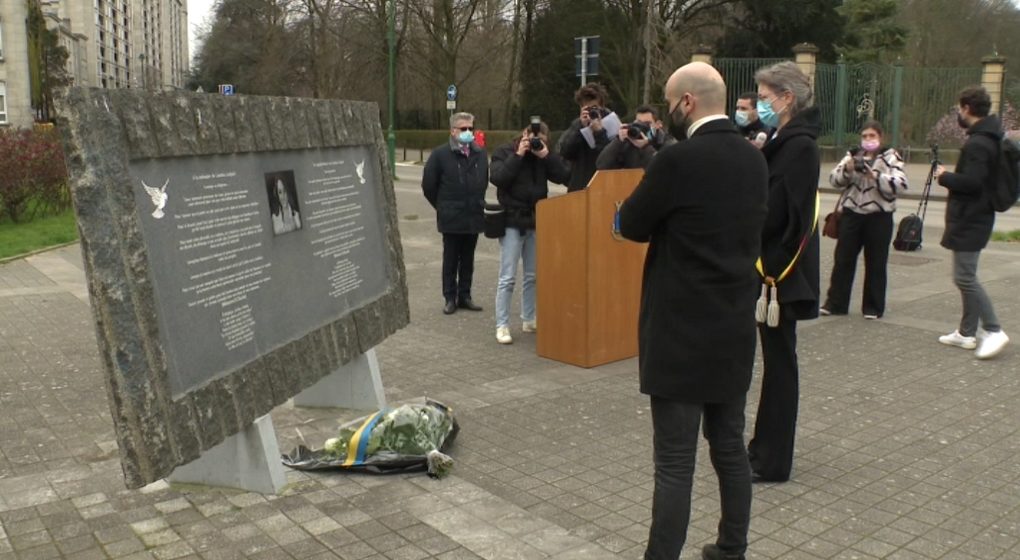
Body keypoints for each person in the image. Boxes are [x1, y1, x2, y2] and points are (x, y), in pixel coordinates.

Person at [619, 62, 769, 560]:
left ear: (686, 102)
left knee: (675, 464)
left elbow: (633, 225)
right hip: (731, 327)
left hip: (679, 330)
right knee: (729, 448)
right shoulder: (754, 160)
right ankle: (733, 548)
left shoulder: (676, 160)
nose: (667, 112)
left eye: (669, 101)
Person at [747, 61, 821, 484]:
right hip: (772, 269)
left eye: (765, 96)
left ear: (786, 98)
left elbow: (779, 212)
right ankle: (764, 449)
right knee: (777, 363)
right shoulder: (786, 139)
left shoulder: (799, 146)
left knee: (780, 366)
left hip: (780, 272)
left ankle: (773, 460)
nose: (761, 104)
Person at [934, 86, 1010, 359]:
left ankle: (993, 329)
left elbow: (973, 183)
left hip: (972, 217)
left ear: (967, 108)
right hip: (975, 216)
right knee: (966, 276)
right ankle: (967, 333)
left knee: (965, 277)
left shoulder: (979, 143)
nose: (958, 113)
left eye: (959, 108)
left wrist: (944, 177)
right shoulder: (988, 137)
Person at [489, 119, 571, 344]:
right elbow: (497, 178)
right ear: (524, 134)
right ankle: (502, 325)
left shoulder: (541, 155)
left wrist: (546, 156)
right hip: (511, 220)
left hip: (536, 219)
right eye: (533, 139)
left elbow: (565, 176)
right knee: (507, 277)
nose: (535, 144)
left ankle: (529, 318)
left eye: (541, 142)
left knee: (532, 275)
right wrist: (518, 155)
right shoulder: (505, 151)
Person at [821, 121, 908, 319]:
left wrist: (875, 176)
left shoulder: (890, 157)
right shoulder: (853, 155)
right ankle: (835, 303)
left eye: (872, 136)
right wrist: (848, 169)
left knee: (876, 261)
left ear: (881, 137)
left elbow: (901, 184)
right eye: (865, 136)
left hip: (879, 216)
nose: (868, 140)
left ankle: (873, 307)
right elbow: (833, 180)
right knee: (843, 259)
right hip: (852, 214)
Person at [422, 112, 489, 315]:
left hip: (473, 214)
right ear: (453, 131)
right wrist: (442, 206)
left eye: (471, 128)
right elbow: (429, 186)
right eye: (463, 129)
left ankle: (465, 295)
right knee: (451, 258)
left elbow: (483, 181)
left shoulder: (479, 153)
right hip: (451, 215)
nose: (468, 132)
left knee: (468, 258)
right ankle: (450, 297)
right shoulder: (440, 155)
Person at [556, 82, 621, 191]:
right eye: (587, 108)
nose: (592, 111)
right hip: (579, 185)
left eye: (594, 107)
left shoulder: (612, 123)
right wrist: (580, 127)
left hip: (603, 186)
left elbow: (611, 158)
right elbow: (565, 152)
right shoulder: (577, 125)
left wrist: (599, 132)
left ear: (602, 106)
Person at [596, 105, 675, 170]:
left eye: (647, 123)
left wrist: (645, 146)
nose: (642, 127)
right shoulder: (629, 143)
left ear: (658, 125)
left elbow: (662, 169)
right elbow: (601, 165)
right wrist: (618, 141)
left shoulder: (667, 143)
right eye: (638, 123)